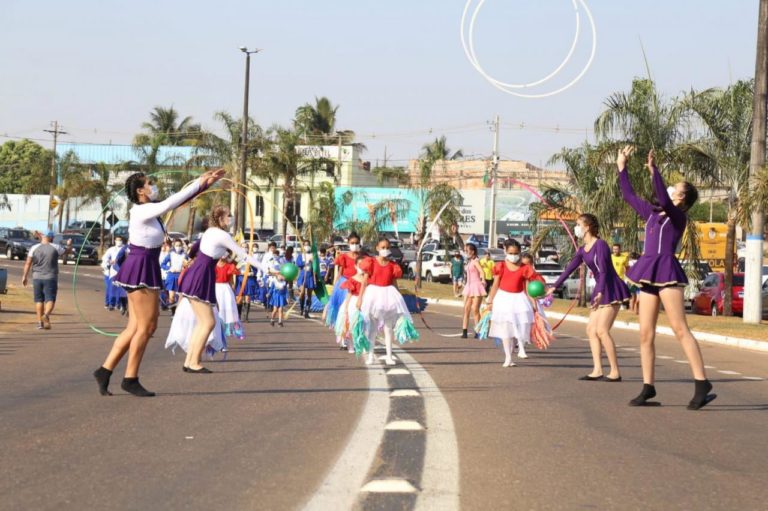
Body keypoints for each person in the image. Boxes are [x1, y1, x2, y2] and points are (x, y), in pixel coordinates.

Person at [93, 168, 224, 397]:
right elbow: (172, 202)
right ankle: (130, 378)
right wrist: (200, 181)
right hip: (140, 266)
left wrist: (205, 184)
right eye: (149, 184)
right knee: (147, 327)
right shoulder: (142, 211)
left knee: (135, 327)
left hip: (146, 264)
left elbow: (180, 199)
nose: (153, 187)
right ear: (140, 191)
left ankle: (105, 371)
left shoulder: (150, 210)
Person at [617, 146, 715, 410]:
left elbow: (662, 194)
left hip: (667, 271)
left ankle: (701, 382)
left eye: (675, 188)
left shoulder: (677, 216)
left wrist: (654, 171)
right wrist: (621, 167)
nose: (670, 189)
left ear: (682, 198)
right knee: (645, 333)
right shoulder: (651, 213)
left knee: (679, 329)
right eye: (670, 186)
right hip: (648, 272)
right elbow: (628, 195)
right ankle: (648, 387)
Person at [173, 206, 260, 373]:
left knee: (203, 323)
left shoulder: (210, 232)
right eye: (229, 216)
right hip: (200, 276)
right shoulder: (221, 234)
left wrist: (190, 258)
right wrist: (267, 269)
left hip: (199, 275)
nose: (231, 218)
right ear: (220, 218)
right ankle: (193, 363)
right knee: (208, 322)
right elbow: (244, 255)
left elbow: (195, 247)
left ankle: (190, 361)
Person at [547, 214, 630, 382]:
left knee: (602, 330)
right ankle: (597, 369)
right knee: (591, 330)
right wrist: (554, 286)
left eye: (578, 224)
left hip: (610, 288)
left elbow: (605, 270)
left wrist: (599, 292)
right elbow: (569, 268)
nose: (576, 227)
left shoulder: (601, 245)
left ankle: (615, 372)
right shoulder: (582, 250)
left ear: (587, 227)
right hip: (600, 289)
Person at [358, 238, 417, 366]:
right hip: (373, 296)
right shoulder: (371, 262)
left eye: (387, 247)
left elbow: (394, 283)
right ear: (377, 248)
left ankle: (389, 355)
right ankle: (370, 355)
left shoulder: (392, 266)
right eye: (383, 247)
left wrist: (400, 300)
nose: (385, 250)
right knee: (372, 329)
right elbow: (364, 282)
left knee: (388, 328)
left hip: (388, 297)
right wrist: (360, 299)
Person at [486, 239, 543, 367]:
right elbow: (495, 285)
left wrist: (534, 304)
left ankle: (515, 351)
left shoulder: (525, 268)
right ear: (505, 251)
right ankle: (508, 357)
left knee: (517, 330)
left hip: (519, 300)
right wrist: (490, 301)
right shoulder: (500, 266)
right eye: (511, 253)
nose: (513, 255)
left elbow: (528, 289)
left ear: (520, 252)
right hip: (503, 299)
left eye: (516, 253)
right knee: (506, 330)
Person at [21, 231, 71, 330]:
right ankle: (46, 315)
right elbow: (68, 251)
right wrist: (69, 244)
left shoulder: (34, 248)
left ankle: (39, 323)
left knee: (39, 300)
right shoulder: (56, 247)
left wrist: (24, 276)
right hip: (50, 277)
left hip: (37, 277)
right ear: (52, 238)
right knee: (50, 299)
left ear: (43, 237)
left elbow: (28, 263)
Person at [325, 232, 362, 336]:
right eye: (352, 243)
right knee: (344, 311)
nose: (355, 245)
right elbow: (340, 273)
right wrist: (335, 286)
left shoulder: (363, 257)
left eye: (357, 243)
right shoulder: (343, 257)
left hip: (358, 285)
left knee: (356, 311)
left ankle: (355, 334)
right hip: (345, 284)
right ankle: (343, 336)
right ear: (349, 243)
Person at [215, 253, 243, 341]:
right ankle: (216, 332)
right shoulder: (213, 266)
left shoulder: (229, 266)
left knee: (229, 310)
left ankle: (230, 330)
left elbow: (232, 281)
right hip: (215, 288)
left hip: (226, 288)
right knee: (216, 311)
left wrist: (234, 293)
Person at [461, 243, 486, 338]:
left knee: (475, 309)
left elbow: (482, 272)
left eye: (467, 250)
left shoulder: (476, 261)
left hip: (476, 286)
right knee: (466, 309)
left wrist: (483, 280)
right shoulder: (469, 261)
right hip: (469, 286)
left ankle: (478, 331)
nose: (466, 252)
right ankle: (464, 332)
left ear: (473, 251)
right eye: (466, 250)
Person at [161, 238, 188, 306]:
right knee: (171, 298)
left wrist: (184, 268)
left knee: (180, 298)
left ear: (182, 246)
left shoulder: (185, 255)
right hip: (171, 276)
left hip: (181, 277)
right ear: (174, 246)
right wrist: (169, 268)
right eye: (176, 245)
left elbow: (188, 266)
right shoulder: (171, 254)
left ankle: (177, 313)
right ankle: (173, 313)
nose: (178, 247)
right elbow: (162, 264)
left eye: (179, 245)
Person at [296, 240, 316, 319]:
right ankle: (301, 308)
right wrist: (306, 262)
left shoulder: (313, 255)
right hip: (302, 275)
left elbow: (316, 265)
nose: (307, 246)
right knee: (302, 293)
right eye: (305, 245)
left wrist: (313, 261)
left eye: (308, 245)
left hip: (310, 275)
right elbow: (298, 264)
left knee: (309, 295)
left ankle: (307, 311)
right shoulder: (301, 255)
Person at [101, 238, 121, 310]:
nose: (119, 241)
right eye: (117, 240)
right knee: (110, 289)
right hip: (110, 273)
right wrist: (109, 262)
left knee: (120, 289)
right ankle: (109, 303)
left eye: (120, 240)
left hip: (119, 272)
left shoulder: (125, 249)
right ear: (115, 241)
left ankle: (118, 304)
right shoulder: (111, 249)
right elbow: (104, 259)